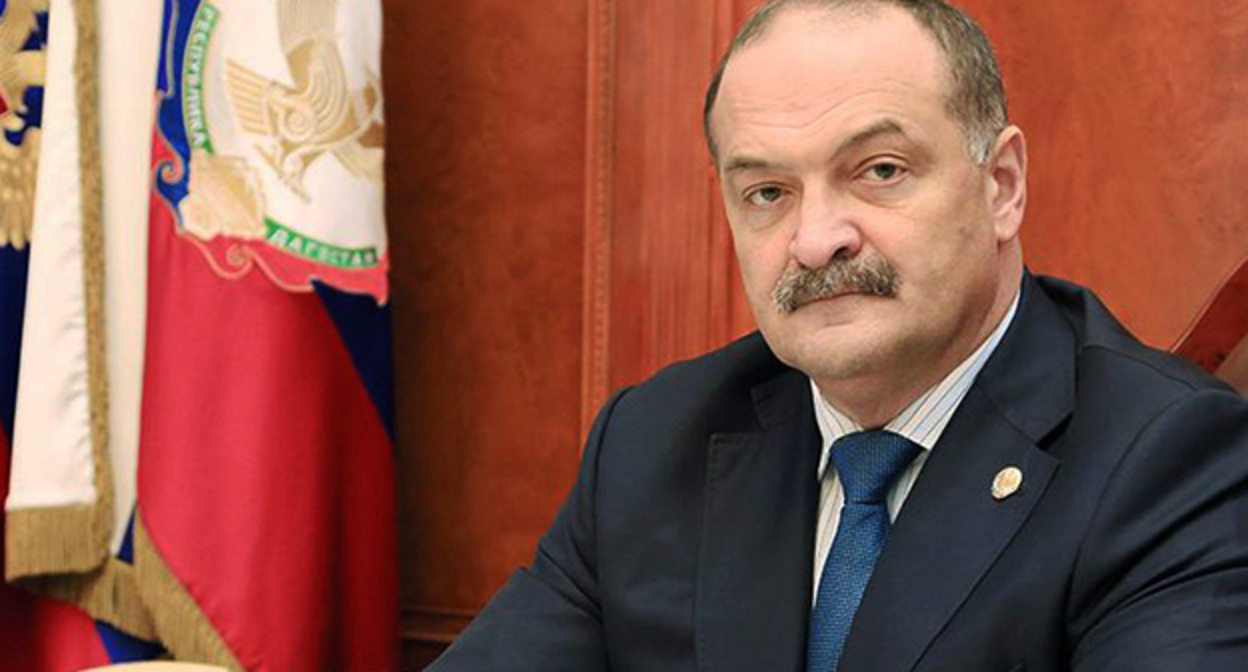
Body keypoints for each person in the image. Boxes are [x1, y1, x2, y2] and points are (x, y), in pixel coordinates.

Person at [429, 1, 1248, 670]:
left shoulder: (1168, 460)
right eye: (768, 192)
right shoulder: (653, 442)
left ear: (1000, 187)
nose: (816, 240)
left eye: (879, 171)